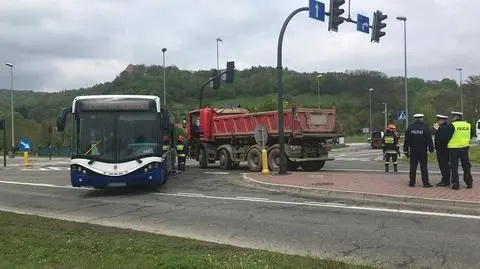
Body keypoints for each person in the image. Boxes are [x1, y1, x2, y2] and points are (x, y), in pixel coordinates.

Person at [445, 111, 474, 190]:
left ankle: (456, 184)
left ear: (455, 117)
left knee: (454, 167)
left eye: (453, 116)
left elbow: (447, 137)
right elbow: (471, 135)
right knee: (466, 166)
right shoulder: (468, 125)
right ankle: (469, 183)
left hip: (453, 149)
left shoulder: (452, 125)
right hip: (464, 148)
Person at [403, 113, 434, 187]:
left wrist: (406, 150)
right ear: (422, 119)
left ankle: (412, 182)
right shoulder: (425, 127)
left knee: (413, 167)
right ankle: (426, 183)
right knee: (423, 167)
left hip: (413, 150)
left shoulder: (410, 127)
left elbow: (406, 140)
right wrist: (431, 149)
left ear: (415, 119)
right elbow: (429, 139)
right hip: (423, 150)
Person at [433, 114, 451, 187]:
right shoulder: (442, 127)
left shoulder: (444, 128)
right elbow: (433, 132)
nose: (437, 121)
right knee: (443, 166)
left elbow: (442, 139)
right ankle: (445, 179)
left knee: (444, 166)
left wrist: (438, 147)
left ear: (442, 120)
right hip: (441, 149)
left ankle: (446, 181)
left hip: (443, 150)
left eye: (439, 120)